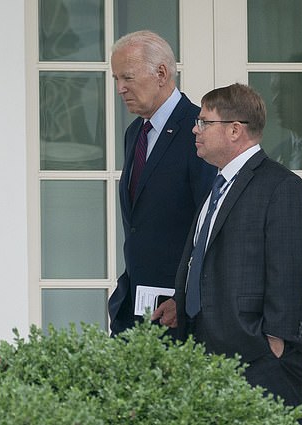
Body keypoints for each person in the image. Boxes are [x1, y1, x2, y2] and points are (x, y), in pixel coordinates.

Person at [153, 83, 302, 411]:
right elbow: (208, 260)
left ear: (234, 130)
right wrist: (182, 301)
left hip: (258, 356)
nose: (194, 129)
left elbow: (289, 269)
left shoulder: (281, 186)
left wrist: (274, 342)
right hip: (208, 348)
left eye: (204, 122)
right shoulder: (218, 184)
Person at [108, 30, 216, 335]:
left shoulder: (199, 130)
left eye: (127, 77)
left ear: (161, 73)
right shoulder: (134, 133)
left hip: (178, 314)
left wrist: (183, 299)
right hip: (135, 309)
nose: (120, 88)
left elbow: (208, 227)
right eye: (116, 79)